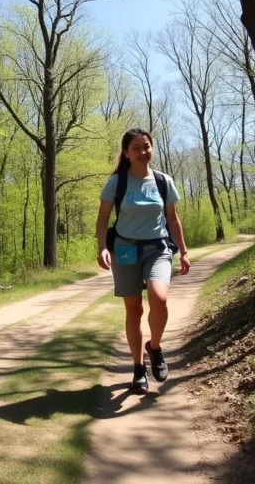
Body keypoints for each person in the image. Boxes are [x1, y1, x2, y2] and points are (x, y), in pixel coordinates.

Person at [95, 129, 191, 394]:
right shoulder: (117, 182)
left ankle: (155, 347)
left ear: (152, 149)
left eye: (146, 146)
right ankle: (138, 367)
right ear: (126, 152)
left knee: (159, 298)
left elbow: (173, 219)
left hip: (158, 248)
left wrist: (183, 251)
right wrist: (103, 247)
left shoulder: (163, 180)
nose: (142, 152)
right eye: (136, 148)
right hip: (125, 249)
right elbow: (103, 220)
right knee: (134, 309)